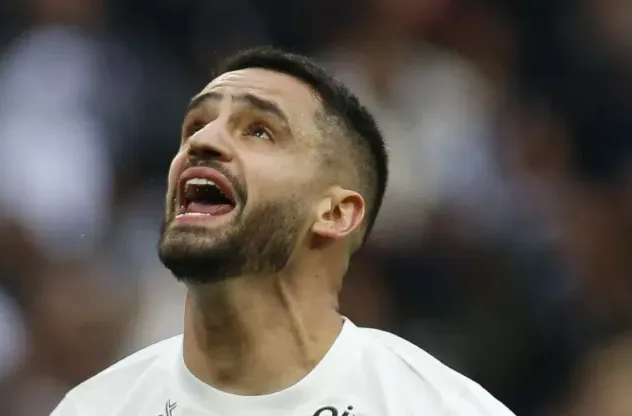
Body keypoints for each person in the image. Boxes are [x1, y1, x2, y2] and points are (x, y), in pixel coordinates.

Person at [50, 47, 515, 416]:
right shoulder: (95, 408)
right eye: (195, 124)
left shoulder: (434, 408)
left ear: (335, 213)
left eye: (258, 131)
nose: (201, 141)